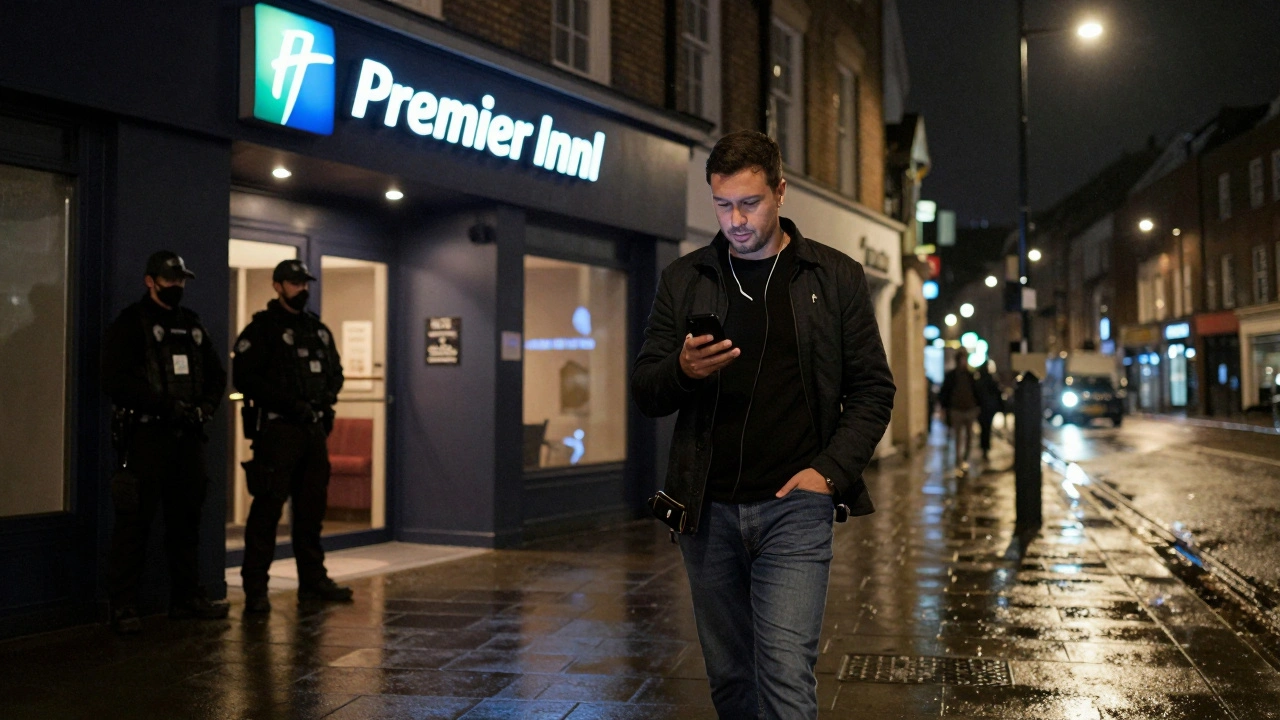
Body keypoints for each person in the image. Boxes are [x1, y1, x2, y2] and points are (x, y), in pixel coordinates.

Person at [631, 131, 896, 719]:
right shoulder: (686, 279)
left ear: (780, 191)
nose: (735, 220)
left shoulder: (834, 277)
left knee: (783, 671)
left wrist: (827, 474)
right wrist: (681, 369)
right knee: (729, 678)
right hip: (707, 512)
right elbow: (646, 390)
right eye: (722, 205)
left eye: (749, 203)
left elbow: (874, 390)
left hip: (794, 505)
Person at [101, 251, 229, 634]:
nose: (177, 286)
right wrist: (164, 405)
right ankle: (123, 606)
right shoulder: (131, 324)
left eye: (181, 280)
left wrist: (204, 407)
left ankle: (186, 598)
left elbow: (217, 375)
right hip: (147, 437)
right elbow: (116, 381)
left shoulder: (191, 325)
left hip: (187, 439)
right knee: (134, 523)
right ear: (150, 281)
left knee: (186, 523)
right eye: (170, 280)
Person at [233, 259, 352, 612]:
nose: (301, 289)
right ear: (278, 286)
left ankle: (313, 581)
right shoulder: (262, 329)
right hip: (278, 431)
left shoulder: (317, 330)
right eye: (294, 283)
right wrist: (290, 404)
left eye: (304, 284)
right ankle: (256, 589)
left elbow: (336, 372)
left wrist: (322, 400)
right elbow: (246, 378)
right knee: (267, 510)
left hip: (313, 431)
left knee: (311, 510)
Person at [940, 350, 980, 476]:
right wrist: (944, 408)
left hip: (969, 409)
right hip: (956, 410)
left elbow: (976, 392)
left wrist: (978, 406)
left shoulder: (970, 375)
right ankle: (958, 460)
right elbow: (945, 392)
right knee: (957, 437)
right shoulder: (951, 376)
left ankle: (965, 459)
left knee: (969, 436)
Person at [975, 362, 1003, 461]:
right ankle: (985, 448)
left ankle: (984, 448)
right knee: (987, 428)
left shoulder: (979, 381)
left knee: (984, 429)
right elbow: (997, 392)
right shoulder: (991, 379)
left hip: (983, 408)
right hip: (989, 408)